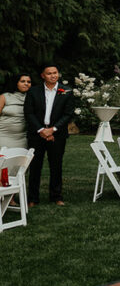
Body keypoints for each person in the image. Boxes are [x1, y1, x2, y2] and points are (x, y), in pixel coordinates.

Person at [23, 64, 75, 206]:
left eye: (55, 72)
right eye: (49, 73)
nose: (53, 75)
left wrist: (53, 129)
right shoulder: (33, 91)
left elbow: (68, 113)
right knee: (35, 167)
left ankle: (56, 196)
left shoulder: (67, 91)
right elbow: (29, 112)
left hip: (57, 134)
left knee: (56, 165)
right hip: (37, 134)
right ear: (43, 76)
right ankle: (33, 198)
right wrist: (41, 130)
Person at [0, 73, 32, 149]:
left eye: (29, 82)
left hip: (23, 138)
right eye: (23, 81)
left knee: (20, 160)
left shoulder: (32, 97)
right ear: (16, 83)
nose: (26, 84)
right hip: (3, 135)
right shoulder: (4, 97)